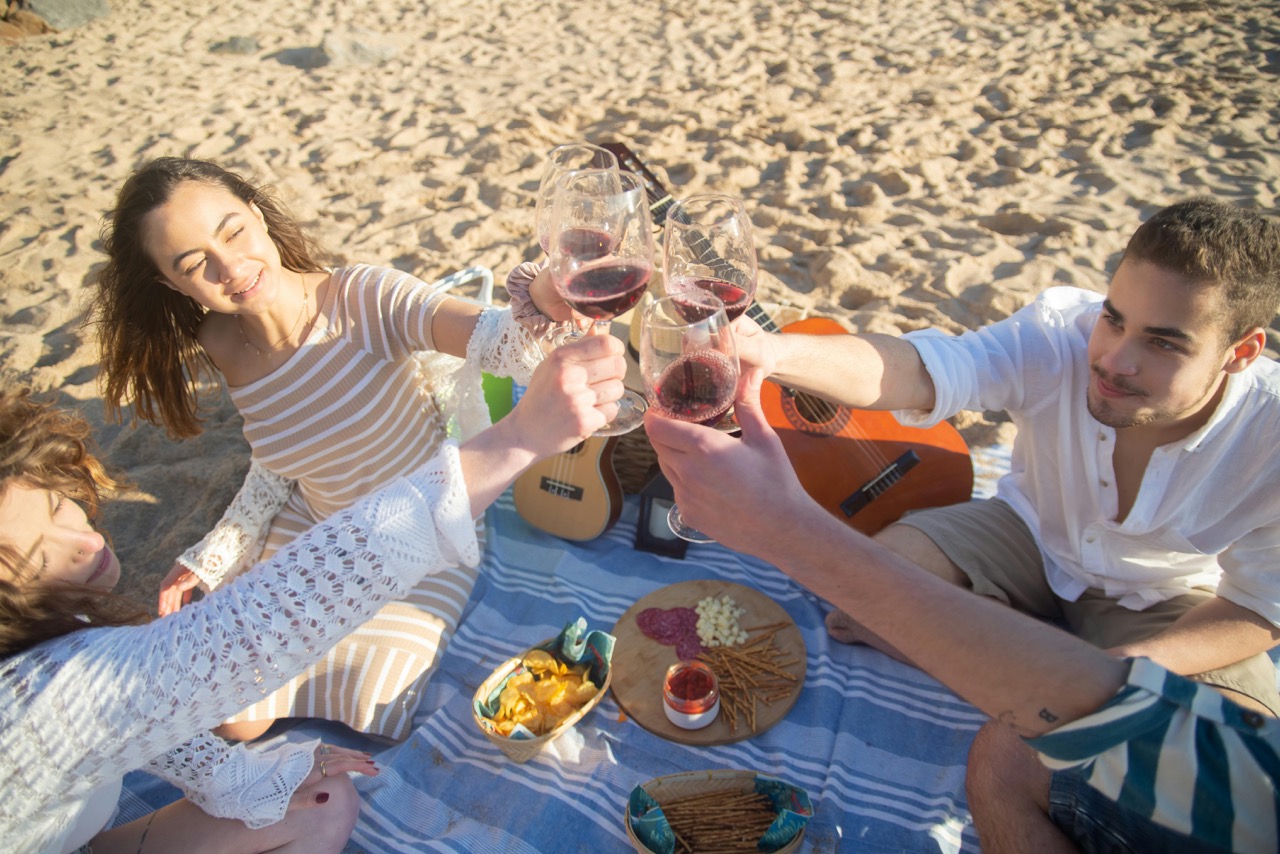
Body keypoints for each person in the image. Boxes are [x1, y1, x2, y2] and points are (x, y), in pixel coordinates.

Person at [638, 196, 1280, 850]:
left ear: (1240, 352)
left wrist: (1109, 676)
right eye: (1114, 320)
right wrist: (770, 350)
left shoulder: (1273, 431)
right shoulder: (1061, 331)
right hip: (1030, 535)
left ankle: (1021, 651)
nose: (1115, 358)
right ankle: (1014, 645)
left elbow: (1258, 608)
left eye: (1163, 343)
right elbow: (919, 370)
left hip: (1168, 604)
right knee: (864, 599)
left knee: (1212, 760)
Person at [0, 339, 625, 853]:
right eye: (40, 555)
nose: (82, 540)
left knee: (323, 802)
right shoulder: (33, 700)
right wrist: (517, 437)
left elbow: (147, 718)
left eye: (60, 506)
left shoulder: (50, 624)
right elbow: (273, 613)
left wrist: (246, 780)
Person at [90, 157, 570, 742]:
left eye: (234, 230)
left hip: (418, 531)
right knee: (233, 720)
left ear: (259, 215)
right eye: (194, 264)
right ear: (172, 283)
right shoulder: (220, 343)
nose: (231, 266)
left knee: (374, 706)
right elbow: (277, 466)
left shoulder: (363, 299)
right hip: (314, 526)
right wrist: (213, 554)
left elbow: (500, 344)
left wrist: (542, 295)